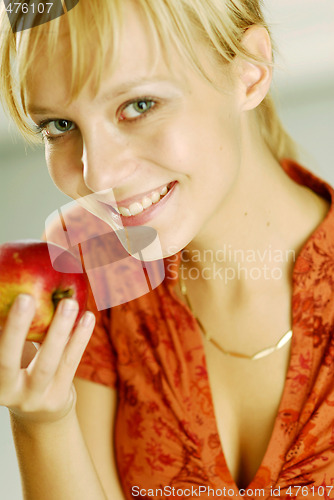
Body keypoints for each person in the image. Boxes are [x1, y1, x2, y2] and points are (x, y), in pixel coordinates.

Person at [0, 0, 333, 498]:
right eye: (60, 126)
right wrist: (43, 419)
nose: (98, 175)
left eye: (137, 105)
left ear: (249, 72)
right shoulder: (98, 275)